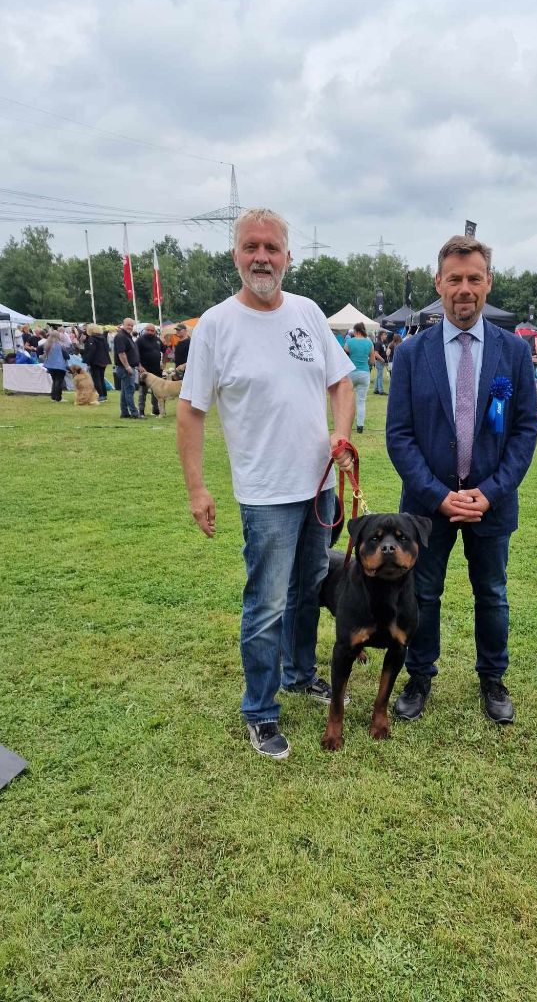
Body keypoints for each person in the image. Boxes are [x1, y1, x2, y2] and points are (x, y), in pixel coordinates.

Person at [177, 207, 355, 761]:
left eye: (271, 248)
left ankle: (300, 673)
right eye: (251, 247)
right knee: (267, 603)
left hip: (318, 487)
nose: (262, 257)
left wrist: (342, 436)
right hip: (265, 495)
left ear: (287, 257)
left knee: (310, 589)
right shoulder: (216, 325)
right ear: (236, 255)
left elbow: (342, 382)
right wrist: (197, 489)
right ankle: (260, 710)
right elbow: (190, 412)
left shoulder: (306, 312)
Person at [386, 234, 537, 725]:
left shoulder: (514, 353)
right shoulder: (412, 353)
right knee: (422, 594)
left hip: (490, 505)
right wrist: (439, 496)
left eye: (475, 278)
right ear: (439, 284)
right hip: (427, 510)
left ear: (488, 283)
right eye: (455, 279)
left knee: (491, 593)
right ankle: (419, 676)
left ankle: (493, 679)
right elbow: (399, 436)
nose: (465, 289)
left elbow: (523, 432)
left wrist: (489, 494)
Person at [344, 322, 374, 433]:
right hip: (364, 373)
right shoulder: (369, 343)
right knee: (361, 401)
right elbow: (372, 361)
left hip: (351, 373)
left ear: (356, 331)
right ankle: (360, 427)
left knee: (348, 400)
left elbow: (344, 355)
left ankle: (346, 424)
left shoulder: (349, 341)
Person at [113, 318, 143, 419]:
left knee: (125, 392)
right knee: (129, 390)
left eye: (131, 325)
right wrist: (127, 366)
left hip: (128, 367)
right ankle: (134, 413)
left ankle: (124, 412)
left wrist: (137, 364)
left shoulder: (127, 336)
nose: (130, 327)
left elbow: (131, 352)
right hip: (125, 368)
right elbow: (121, 353)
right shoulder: (120, 336)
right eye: (128, 325)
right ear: (123, 324)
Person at [137, 323, 164, 416]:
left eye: (152, 330)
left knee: (156, 392)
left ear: (154, 331)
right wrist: (139, 366)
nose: (150, 332)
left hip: (156, 370)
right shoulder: (140, 340)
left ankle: (155, 410)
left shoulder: (158, 340)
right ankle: (141, 411)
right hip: (144, 371)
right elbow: (135, 355)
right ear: (144, 330)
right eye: (148, 330)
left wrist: (163, 362)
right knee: (143, 391)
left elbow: (166, 351)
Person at [82, 324, 110, 401]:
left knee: (96, 379)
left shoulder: (92, 339)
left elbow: (91, 351)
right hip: (104, 361)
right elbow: (107, 348)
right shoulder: (103, 338)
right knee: (101, 378)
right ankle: (104, 394)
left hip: (95, 361)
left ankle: (101, 395)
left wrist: (87, 361)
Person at [41, 330, 69, 401]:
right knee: (59, 381)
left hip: (50, 365)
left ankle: (53, 397)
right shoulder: (61, 345)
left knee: (54, 381)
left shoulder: (47, 345)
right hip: (60, 365)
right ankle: (58, 398)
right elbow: (66, 356)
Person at [373, 330, 390, 394]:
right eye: (385, 334)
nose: (386, 336)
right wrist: (382, 359)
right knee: (380, 376)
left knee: (378, 375)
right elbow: (375, 353)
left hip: (381, 361)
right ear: (381, 335)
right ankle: (381, 390)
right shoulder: (378, 343)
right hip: (379, 361)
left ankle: (376, 389)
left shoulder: (383, 343)